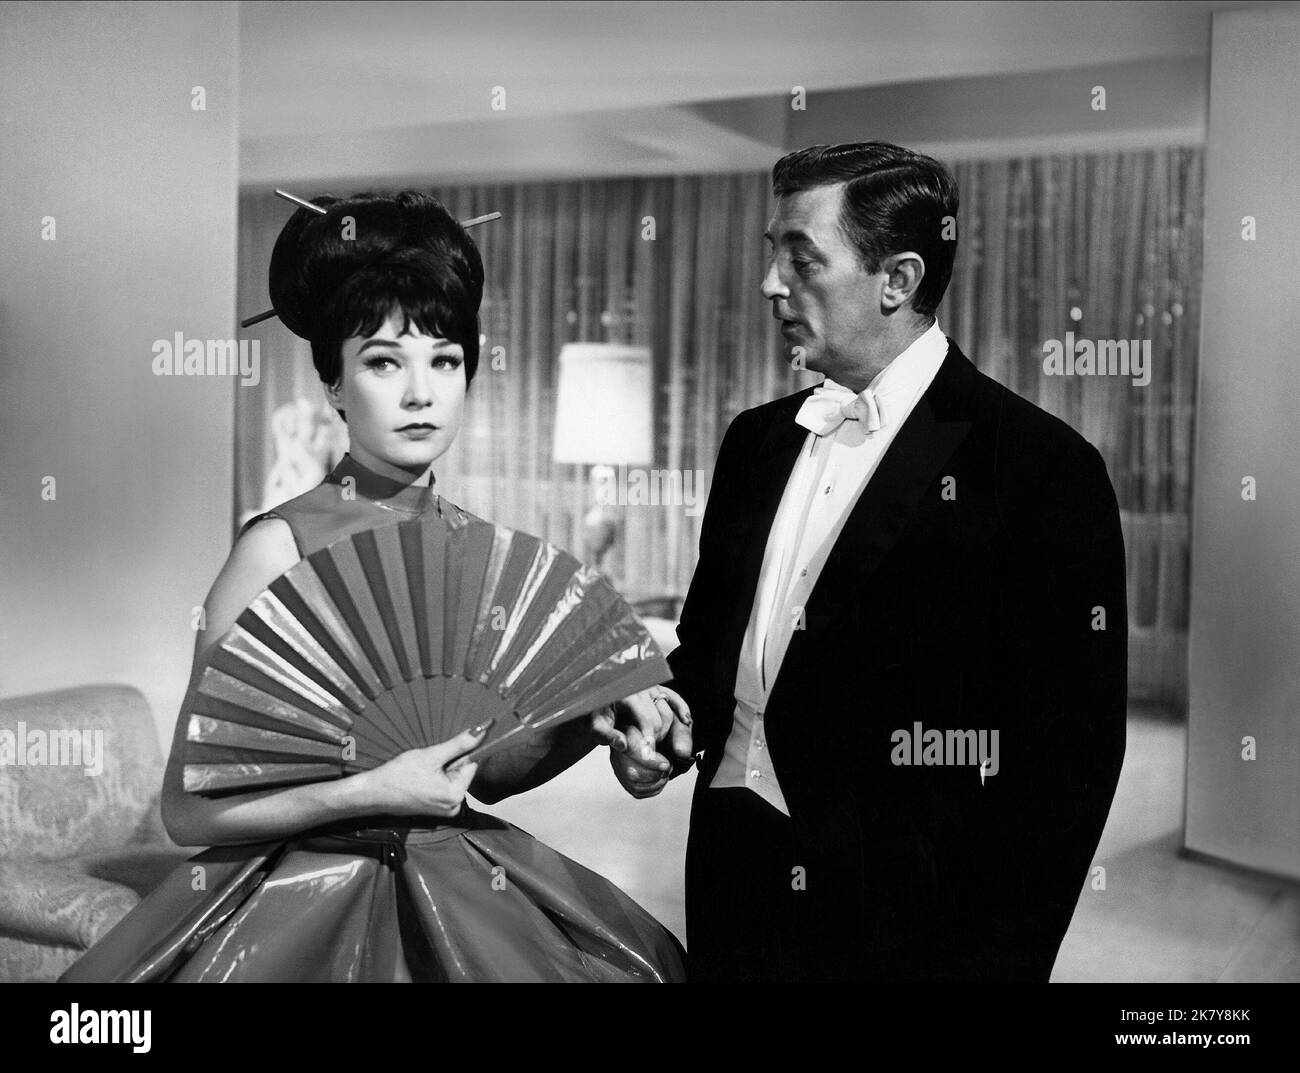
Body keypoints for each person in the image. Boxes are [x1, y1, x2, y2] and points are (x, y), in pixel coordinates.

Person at [61, 191, 686, 983]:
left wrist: (594, 727)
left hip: (460, 872)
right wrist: (370, 789)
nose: (421, 392)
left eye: (445, 360)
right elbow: (188, 810)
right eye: (384, 362)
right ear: (334, 383)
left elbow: (489, 770)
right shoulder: (275, 548)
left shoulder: (472, 548)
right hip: (311, 894)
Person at [610, 143, 1128, 982]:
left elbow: (1068, 764)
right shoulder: (755, 443)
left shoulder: (1040, 468)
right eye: (772, 252)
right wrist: (668, 727)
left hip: (911, 929)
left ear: (898, 279)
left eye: (801, 258)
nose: (771, 283)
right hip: (732, 878)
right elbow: (709, 655)